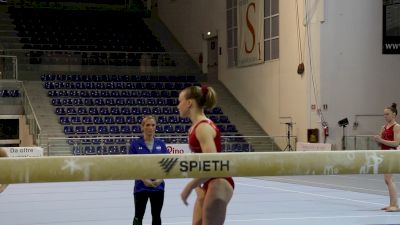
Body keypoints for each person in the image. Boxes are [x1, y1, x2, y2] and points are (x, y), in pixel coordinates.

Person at [177, 85, 234, 225]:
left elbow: (213, 165)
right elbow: (200, 163)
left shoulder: (203, 128)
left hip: (218, 182)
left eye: (180, 101)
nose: (178, 106)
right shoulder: (194, 128)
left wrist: (189, 187)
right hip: (206, 181)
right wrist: (198, 186)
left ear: (189, 103)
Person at [129, 116, 169, 225]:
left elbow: (167, 166)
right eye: (147, 125)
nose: (150, 127)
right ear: (142, 127)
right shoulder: (135, 145)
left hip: (158, 187)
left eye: (153, 125)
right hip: (141, 187)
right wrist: (144, 180)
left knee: (156, 216)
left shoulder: (161, 144)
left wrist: (160, 180)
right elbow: (132, 166)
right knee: (138, 216)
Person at [374, 103, 400, 212]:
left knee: (389, 179)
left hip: (392, 154)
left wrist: (381, 140)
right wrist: (378, 141)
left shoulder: (397, 127)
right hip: (384, 154)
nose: (385, 116)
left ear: (394, 114)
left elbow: (396, 143)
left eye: (387, 114)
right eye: (384, 115)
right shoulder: (383, 127)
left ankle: (395, 205)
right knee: (387, 180)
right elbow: (381, 144)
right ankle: (392, 204)